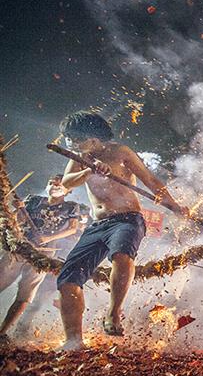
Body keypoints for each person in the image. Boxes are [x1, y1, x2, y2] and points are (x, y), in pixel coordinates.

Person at [55, 112, 189, 350]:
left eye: (75, 139)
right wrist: (88, 170)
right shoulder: (80, 157)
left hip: (127, 219)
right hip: (97, 225)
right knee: (68, 279)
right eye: (68, 139)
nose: (70, 144)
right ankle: (73, 341)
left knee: (121, 255)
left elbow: (151, 181)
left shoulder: (121, 152)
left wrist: (174, 205)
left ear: (94, 139)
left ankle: (113, 314)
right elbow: (66, 183)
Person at [0, 174, 84, 343]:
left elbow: (73, 229)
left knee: (26, 293)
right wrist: (18, 209)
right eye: (51, 182)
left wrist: (47, 238)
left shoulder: (71, 207)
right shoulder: (34, 200)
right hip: (20, 248)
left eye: (60, 184)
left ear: (69, 190)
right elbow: (19, 220)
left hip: (44, 253)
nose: (54, 185)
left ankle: (3, 331)